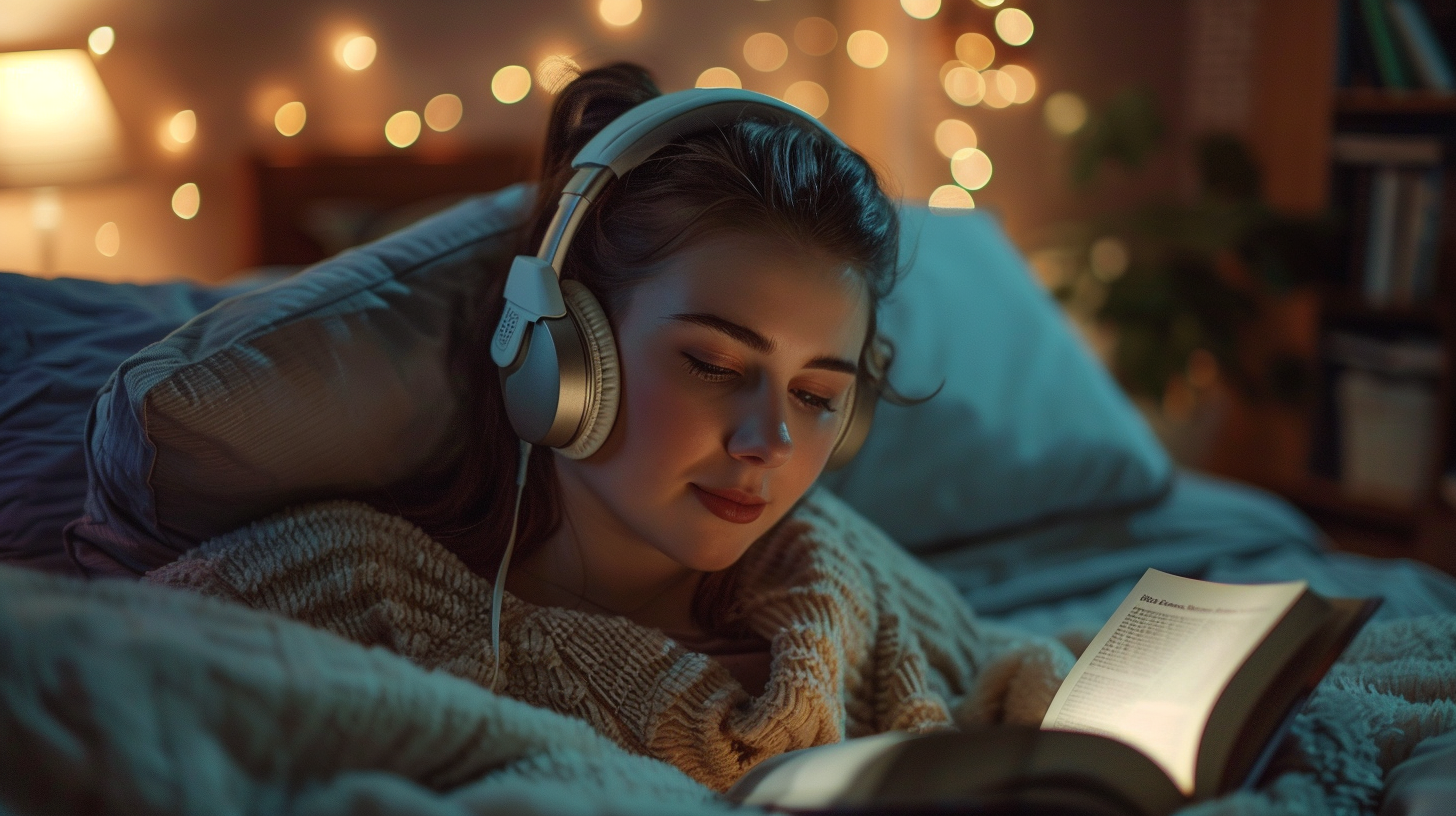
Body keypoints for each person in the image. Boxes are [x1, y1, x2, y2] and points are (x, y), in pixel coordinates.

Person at [149, 62, 1072, 792]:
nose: (770, 444)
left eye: (817, 395)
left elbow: (1015, 669)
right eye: (713, 364)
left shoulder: (838, 570)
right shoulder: (346, 590)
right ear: (561, 353)